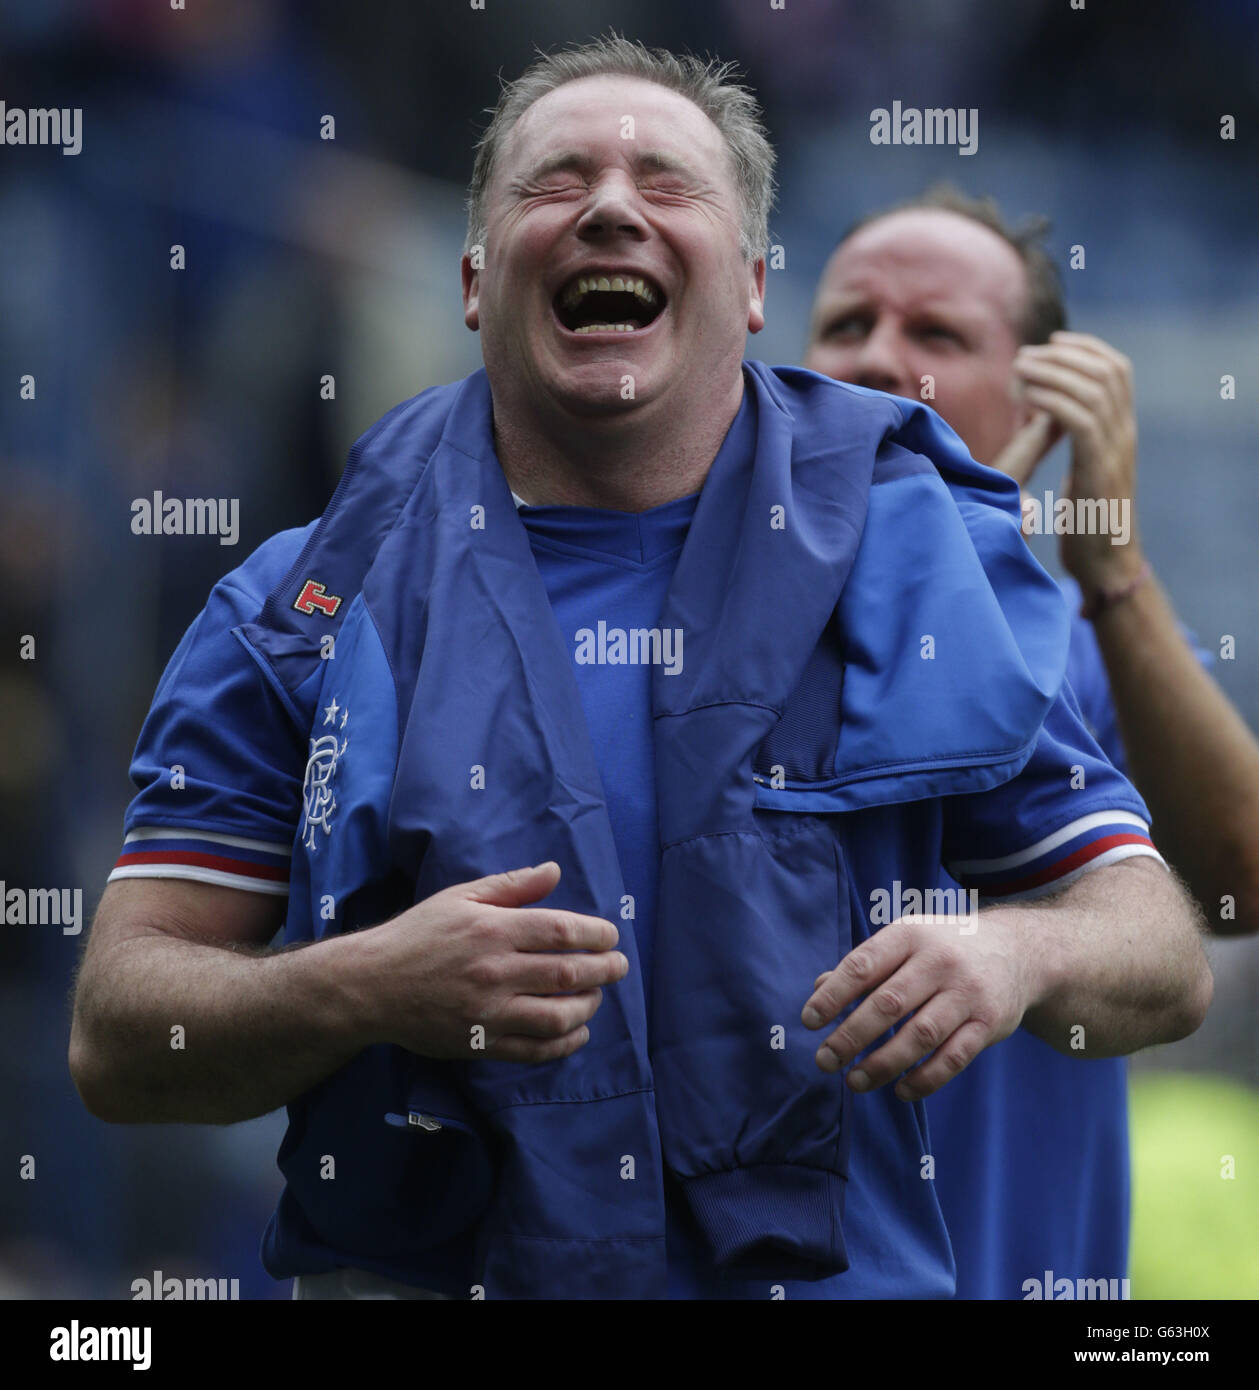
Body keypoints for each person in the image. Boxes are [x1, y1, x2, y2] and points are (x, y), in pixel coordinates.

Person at [70, 39, 1212, 1302]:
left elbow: (1160, 946)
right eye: (554, 181)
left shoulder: (918, 567)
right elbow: (120, 1033)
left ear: (755, 285)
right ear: (469, 277)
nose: (610, 205)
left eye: (667, 184)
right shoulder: (295, 604)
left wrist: (1014, 956)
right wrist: (363, 986)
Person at [804, 185, 1259, 1299]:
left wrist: (1105, 563)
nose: (875, 359)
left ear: (1041, 398)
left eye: (935, 334)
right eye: (846, 323)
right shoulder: (704, 614)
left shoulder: (1071, 644)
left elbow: (1239, 885)